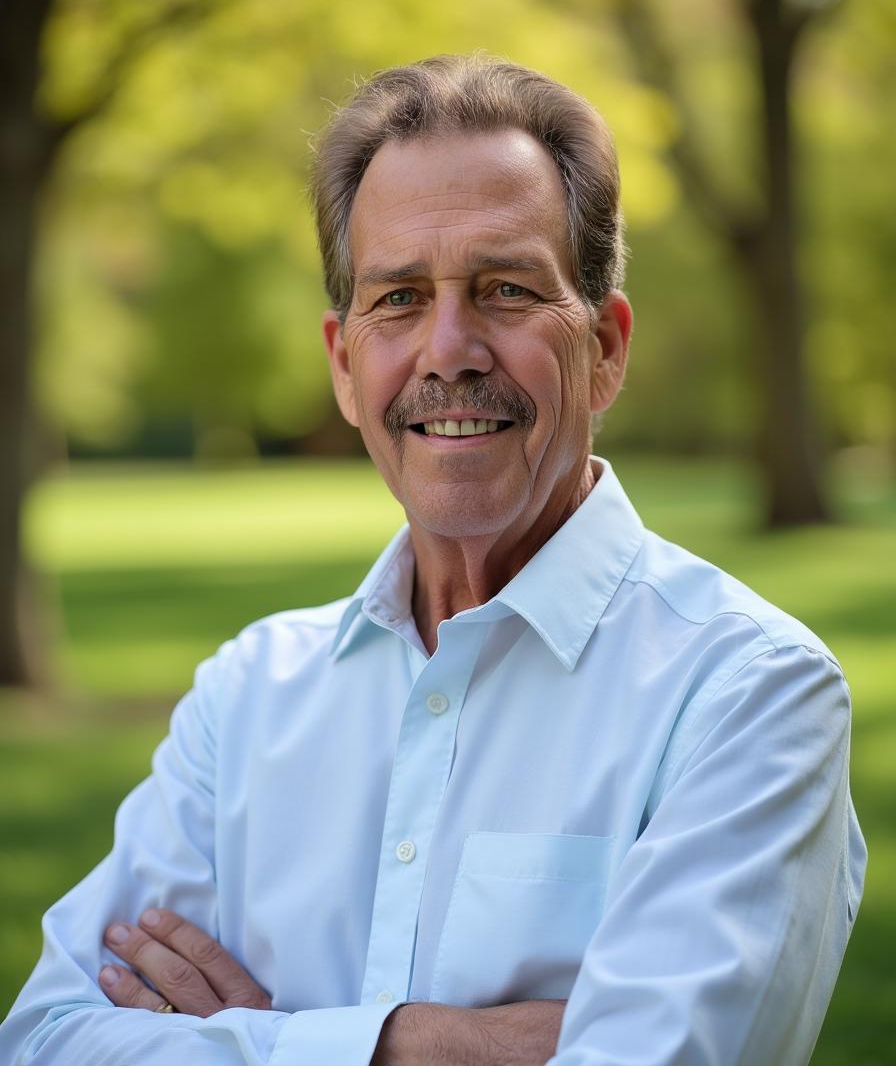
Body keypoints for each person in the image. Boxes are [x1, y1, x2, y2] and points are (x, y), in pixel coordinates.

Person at [1, 55, 866, 1066]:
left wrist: (251, 1038)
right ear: (342, 364)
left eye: (504, 289)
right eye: (399, 298)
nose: (448, 349)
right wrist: (415, 1042)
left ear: (608, 348)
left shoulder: (746, 692)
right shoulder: (247, 698)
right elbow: (49, 1034)